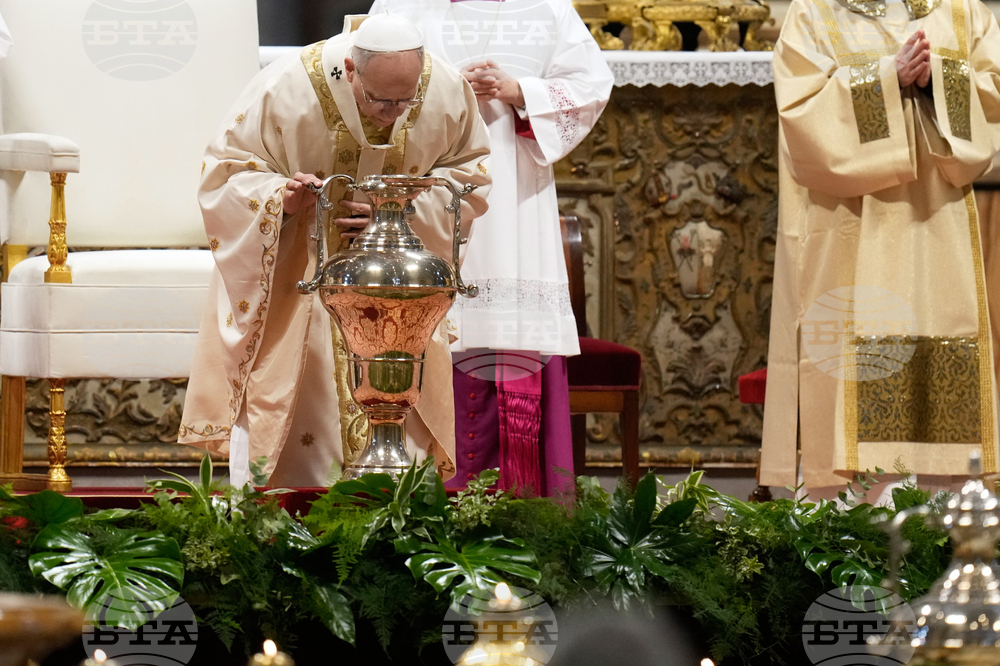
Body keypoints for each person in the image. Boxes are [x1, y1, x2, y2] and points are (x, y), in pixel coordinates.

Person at [178, 13, 491, 487]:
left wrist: (398, 214)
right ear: (350, 68)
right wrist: (282, 197)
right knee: (305, 407)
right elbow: (226, 175)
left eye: (405, 101)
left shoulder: (445, 89)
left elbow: (472, 180)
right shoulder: (287, 86)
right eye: (380, 99)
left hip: (399, 287)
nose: (392, 113)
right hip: (303, 280)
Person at [367, 0, 614, 494]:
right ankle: (419, 501)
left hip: (515, 201)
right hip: (425, 197)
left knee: (509, 330)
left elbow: (590, 87)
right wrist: (445, 90)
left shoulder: (545, 8)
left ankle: (520, 505)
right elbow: (361, 85)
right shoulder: (399, 7)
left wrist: (519, 90)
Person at [760, 0, 1000, 492]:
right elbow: (801, 117)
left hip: (938, 225)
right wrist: (886, 79)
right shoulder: (814, 13)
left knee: (939, 340)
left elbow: (992, 96)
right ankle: (849, 526)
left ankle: (939, 521)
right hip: (848, 225)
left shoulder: (960, 11)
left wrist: (937, 78)